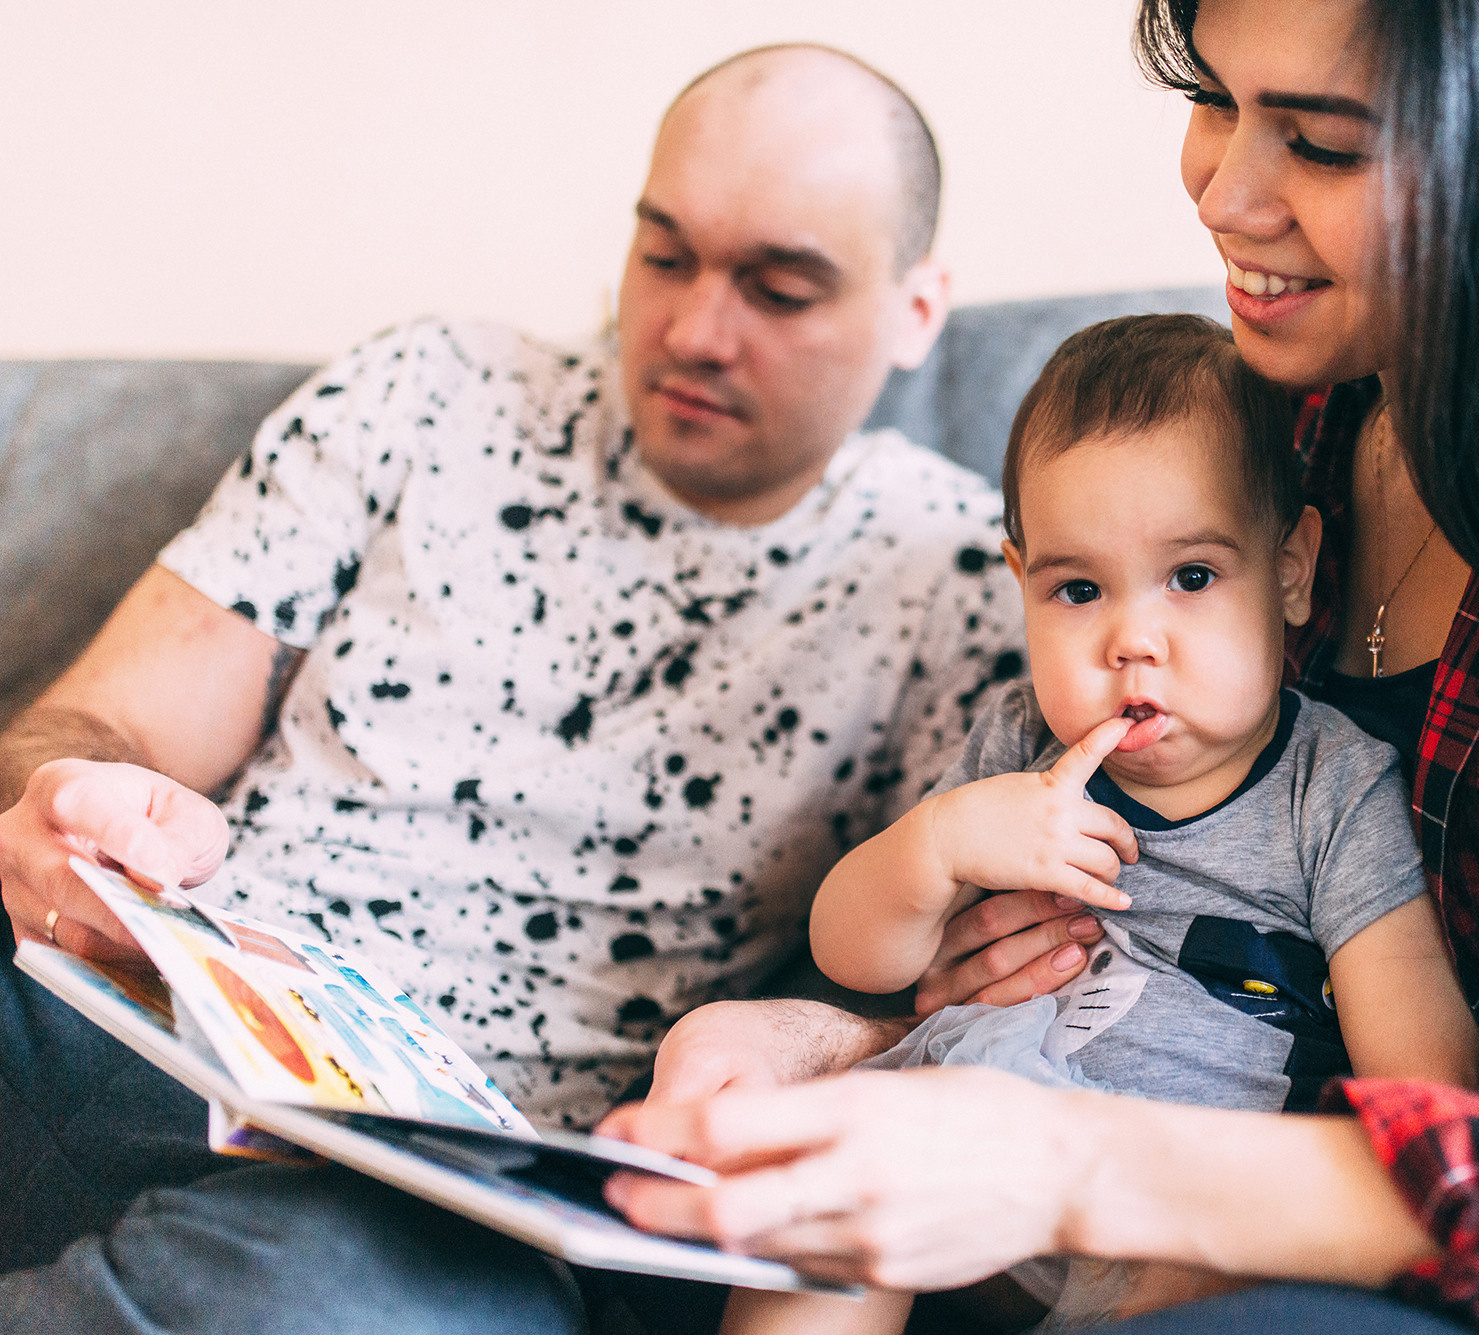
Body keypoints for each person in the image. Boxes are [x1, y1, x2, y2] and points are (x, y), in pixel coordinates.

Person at [600, 2, 1479, 1332]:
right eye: (1212, 94)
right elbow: (1071, 962)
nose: (1222, 191)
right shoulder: (1288, 423)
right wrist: (842, 1048)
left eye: (1323, 140)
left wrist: (1079, 1162)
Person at [0, 44, 1035, 1335]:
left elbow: (979, 1019)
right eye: (665, 255)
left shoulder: (968, 581)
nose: (695, 331)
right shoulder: (430, 390)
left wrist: (808, 1044)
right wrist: (71, 791)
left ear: (917, 309)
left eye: (779, 289)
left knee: (348, 1301)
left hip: (432, 1189)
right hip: (142, 1021)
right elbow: (105, 718)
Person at [724, 315, 1478, 1334]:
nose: (1132, 640)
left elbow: (1423, 1080)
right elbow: (855, 955)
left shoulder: (1330, 787)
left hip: (1177, 1205)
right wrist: (939, 845)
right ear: (1018, 584)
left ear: (1291, 568)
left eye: (1192, 578)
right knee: (829, 1188)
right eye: (1077, 590)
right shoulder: (1019, 745)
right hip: (953, 1160)